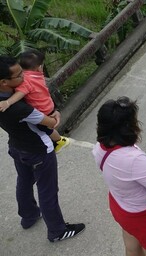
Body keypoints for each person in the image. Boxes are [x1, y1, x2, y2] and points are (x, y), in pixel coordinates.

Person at [0, 55, 85, 242]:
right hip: (38, 151)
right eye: (19, 75)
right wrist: (56, 114)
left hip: (16, 147)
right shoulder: (21, 108)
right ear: (4, 82)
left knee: (24, 181)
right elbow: (50, 122)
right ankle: (57, 230)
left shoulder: (4, 103)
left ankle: (28, 216)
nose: (24, 77)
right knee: (47, 191)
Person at [93, 97, 146, 256]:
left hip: (120, 206)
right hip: (145, 216)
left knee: (131, 248)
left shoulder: (99, 149)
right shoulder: (134, 159)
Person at [0, 49, 70, 153]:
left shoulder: (25, 81)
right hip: (48, 105)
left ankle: (59, 140)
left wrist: (8, 102)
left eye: (22, 72)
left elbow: (20, 93)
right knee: (48, 127)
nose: (22, 76)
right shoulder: (38, 76)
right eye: (19, 75)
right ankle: (59, 140)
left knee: (47, 129)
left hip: (42, 111)